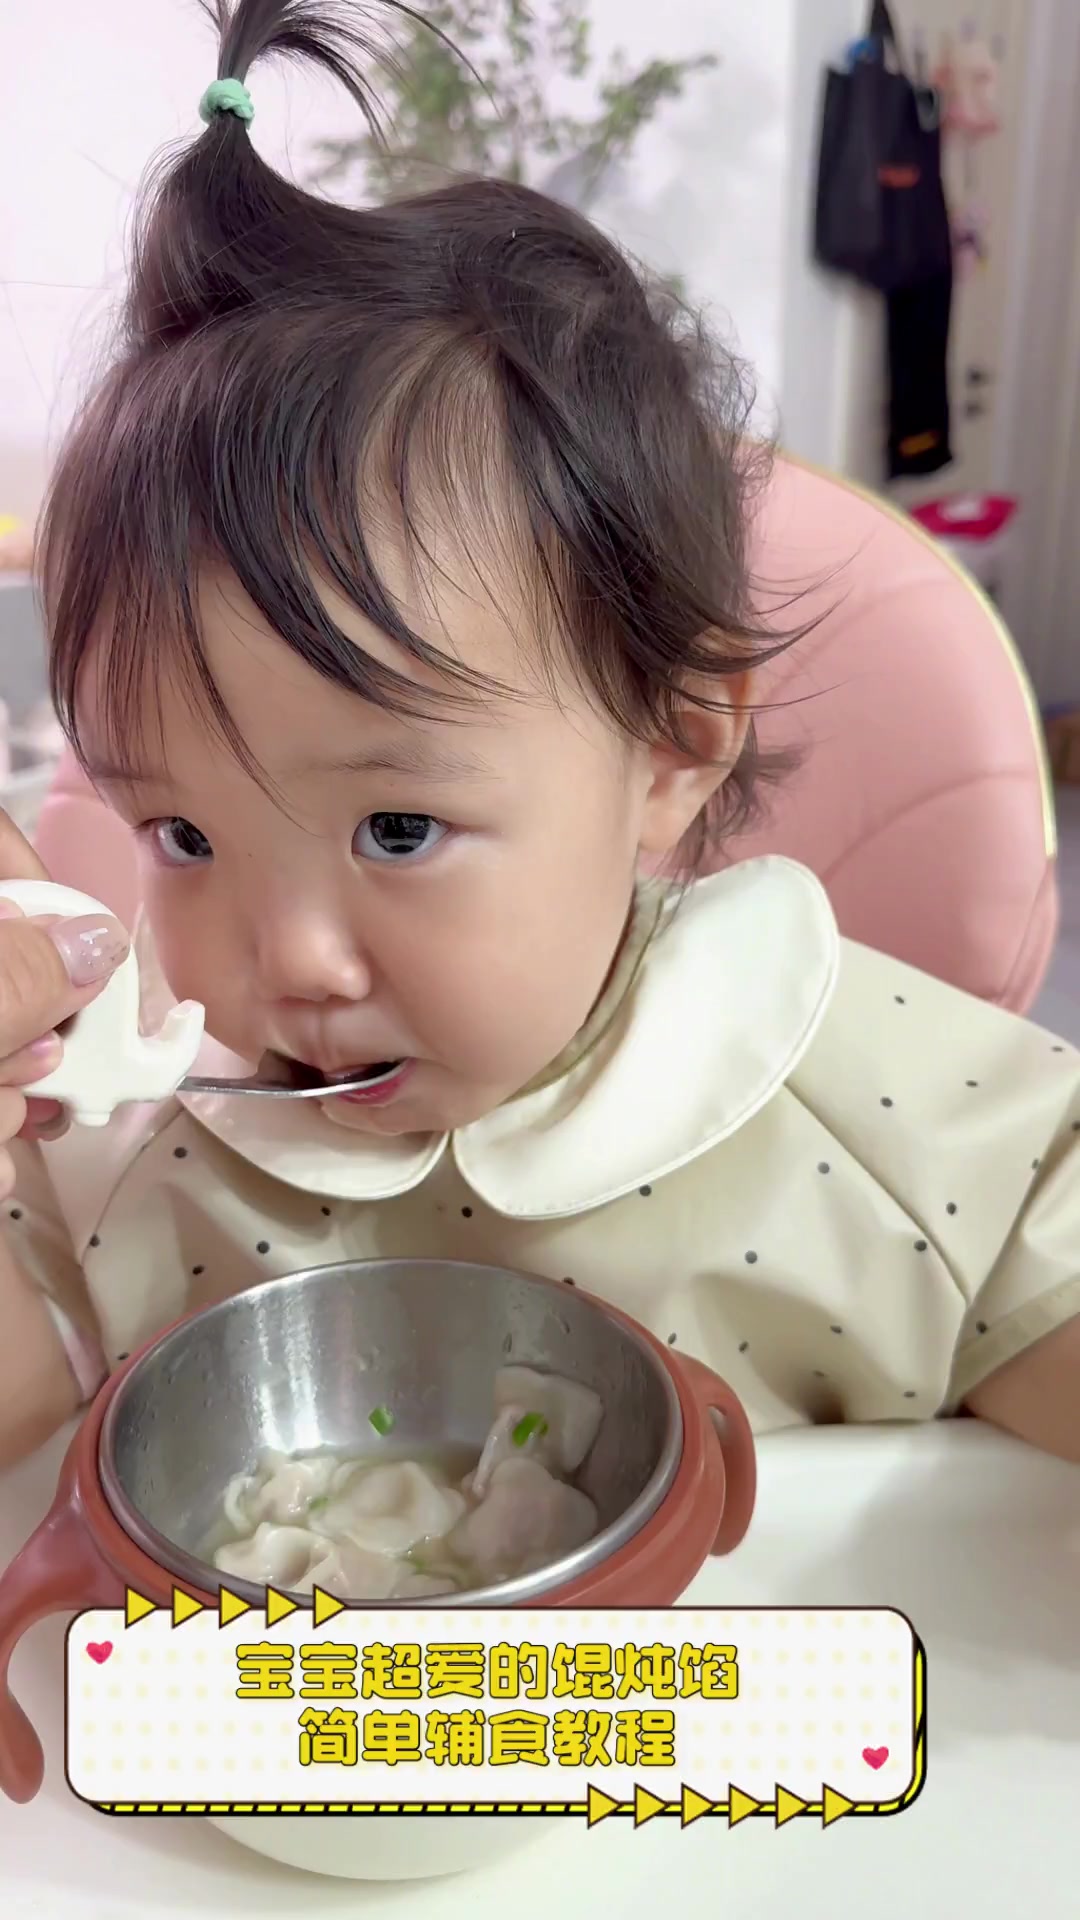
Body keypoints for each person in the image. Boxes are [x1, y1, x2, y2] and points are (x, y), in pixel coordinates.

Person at [2, 0, 1078, 1476]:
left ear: (673, 745)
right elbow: (33, 1457)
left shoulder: (872, 1121)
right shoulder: (139, 1143)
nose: (289, 964)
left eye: (397, 830)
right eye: (182, 836)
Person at [0, 812, 129, 1460]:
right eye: (186, 838)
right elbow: (22, 1410)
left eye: (398, 833)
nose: (304, 960)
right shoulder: (111, 1155)